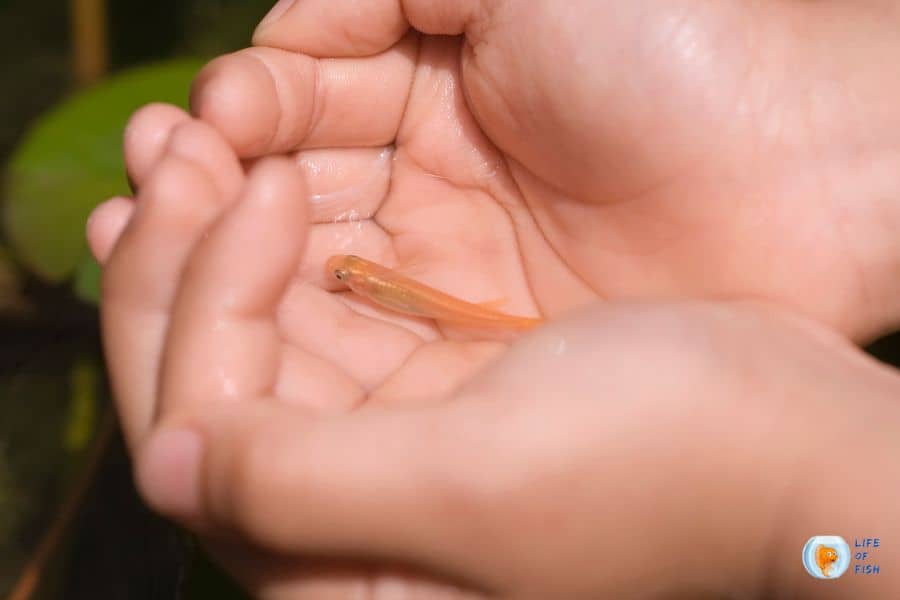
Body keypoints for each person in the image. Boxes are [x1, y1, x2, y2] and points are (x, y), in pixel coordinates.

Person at [87, 1, 900, 597]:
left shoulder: (375, 282)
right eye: (345, 280)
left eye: (347, 278)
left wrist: (770, 507)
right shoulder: (378, 281)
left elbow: (851, 547)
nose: (347, 280)